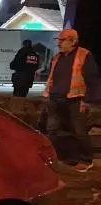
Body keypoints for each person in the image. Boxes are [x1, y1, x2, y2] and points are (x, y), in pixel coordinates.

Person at [43, 28, 99, 172]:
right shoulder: (57, 58)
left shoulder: (84, 55)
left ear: (73, 41)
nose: (59, 43)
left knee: (79, 130)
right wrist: (48, 94)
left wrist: (87, 100)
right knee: (51, 129)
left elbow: (93, 80)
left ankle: (86, 160)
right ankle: (51, 157)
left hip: (76, 99)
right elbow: (52, 78)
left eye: (62, 40)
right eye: (58, 40)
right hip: (56, 99)